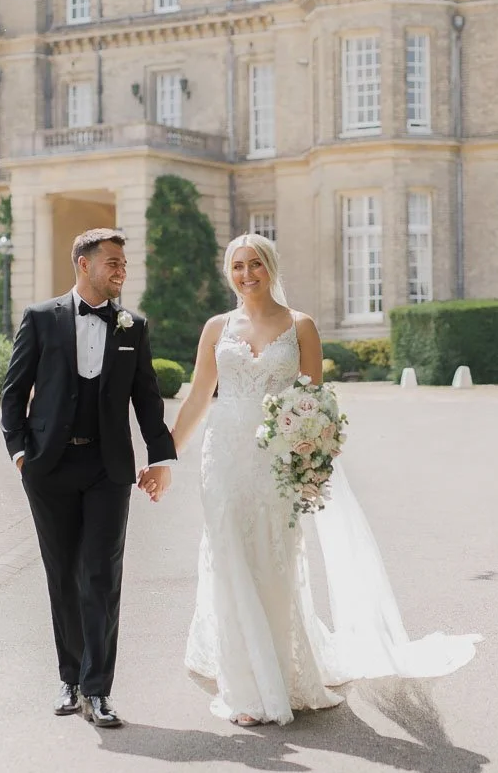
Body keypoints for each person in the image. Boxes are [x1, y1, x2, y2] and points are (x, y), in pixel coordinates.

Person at [172, 234, 480, 726]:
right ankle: (245, 682)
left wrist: (308, 458)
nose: (246, 274)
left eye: (255, 264)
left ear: (271, 267)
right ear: (227, 273)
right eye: (237, 266)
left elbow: (315, 404)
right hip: (223, 459)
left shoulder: (301, 327)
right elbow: (196, 399)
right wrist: (165, 459)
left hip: (275, 463)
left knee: (273, 560)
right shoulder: (217, 327)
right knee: (229, 554)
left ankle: (276, 668)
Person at [0, 228, 175, 728]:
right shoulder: (40, 319)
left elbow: (147, 398)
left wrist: (160, 458)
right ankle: (70, 677)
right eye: (113, 263)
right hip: (48, 468)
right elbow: (14, 394)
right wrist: (19, 454)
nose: (122, 270)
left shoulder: (131, 326)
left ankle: (99, 691)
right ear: (83, 264)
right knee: (62, 575)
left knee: (101, 575)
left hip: (108, 470)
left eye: (123, 263)